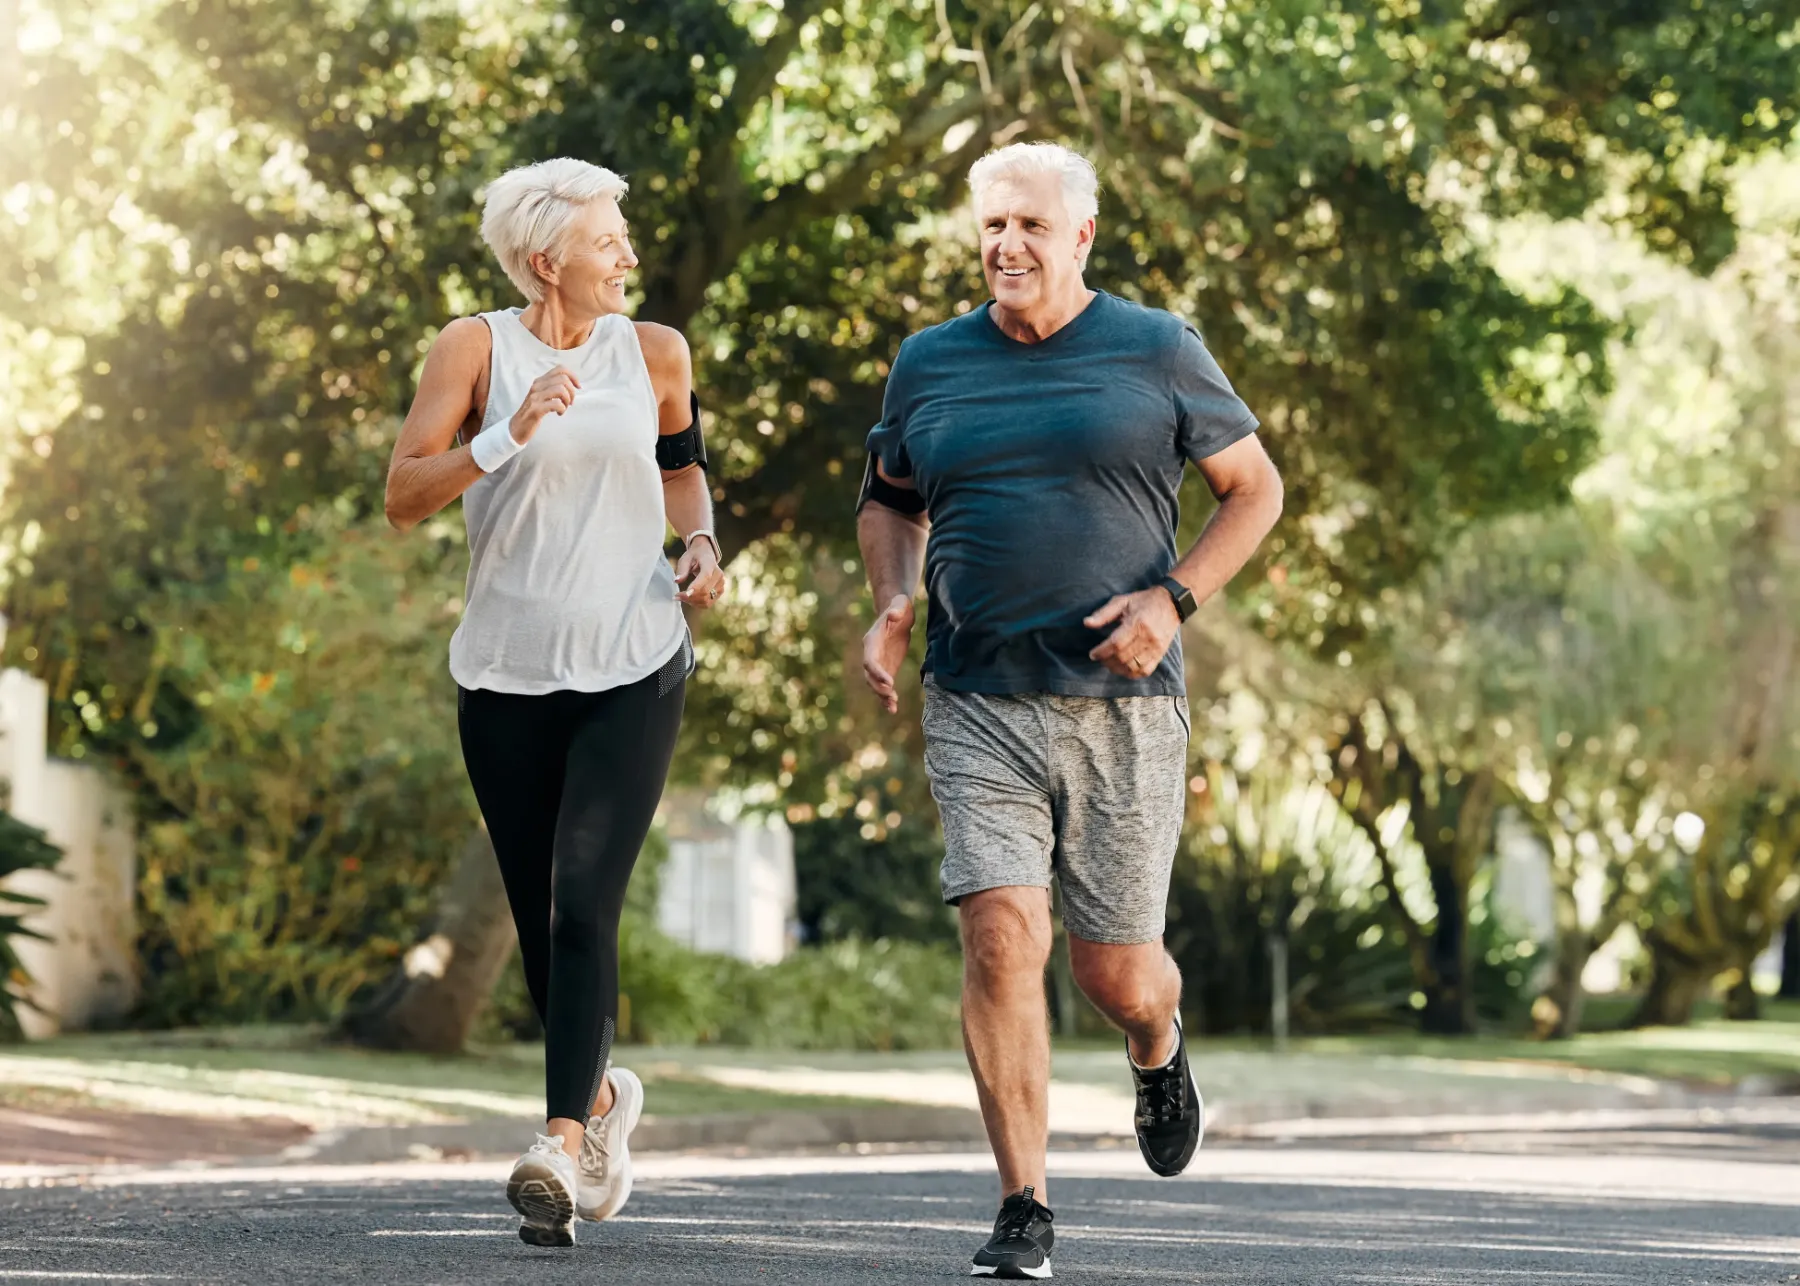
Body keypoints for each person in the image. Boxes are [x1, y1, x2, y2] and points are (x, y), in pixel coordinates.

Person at [856, 141, 1283, 1279]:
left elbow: (1256, 489)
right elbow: (889, 501)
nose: (1008, 244)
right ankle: (1024, 1203)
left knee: (1113, 971)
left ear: (1081, 236)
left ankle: (1157, 1039)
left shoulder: (1158, 347)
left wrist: (1175, 599)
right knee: (1001, 933)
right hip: (977, 691)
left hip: (1124, 701)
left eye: (1032, 226)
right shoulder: (928, 362)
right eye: (993, 225)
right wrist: (895, 597)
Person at [383, 157, 725, 1247]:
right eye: (608, 239)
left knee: (585, 897)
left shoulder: (656, 351)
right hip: (505, 674)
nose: (628, 252)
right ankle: (608, 1103)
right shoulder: (473, 347)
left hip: (633, 662)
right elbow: (403, 494)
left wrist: (703, 541)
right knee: (542, 923)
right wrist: (508, 429)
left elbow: (682, 467)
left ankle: (560, 1141)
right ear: (548, 261)